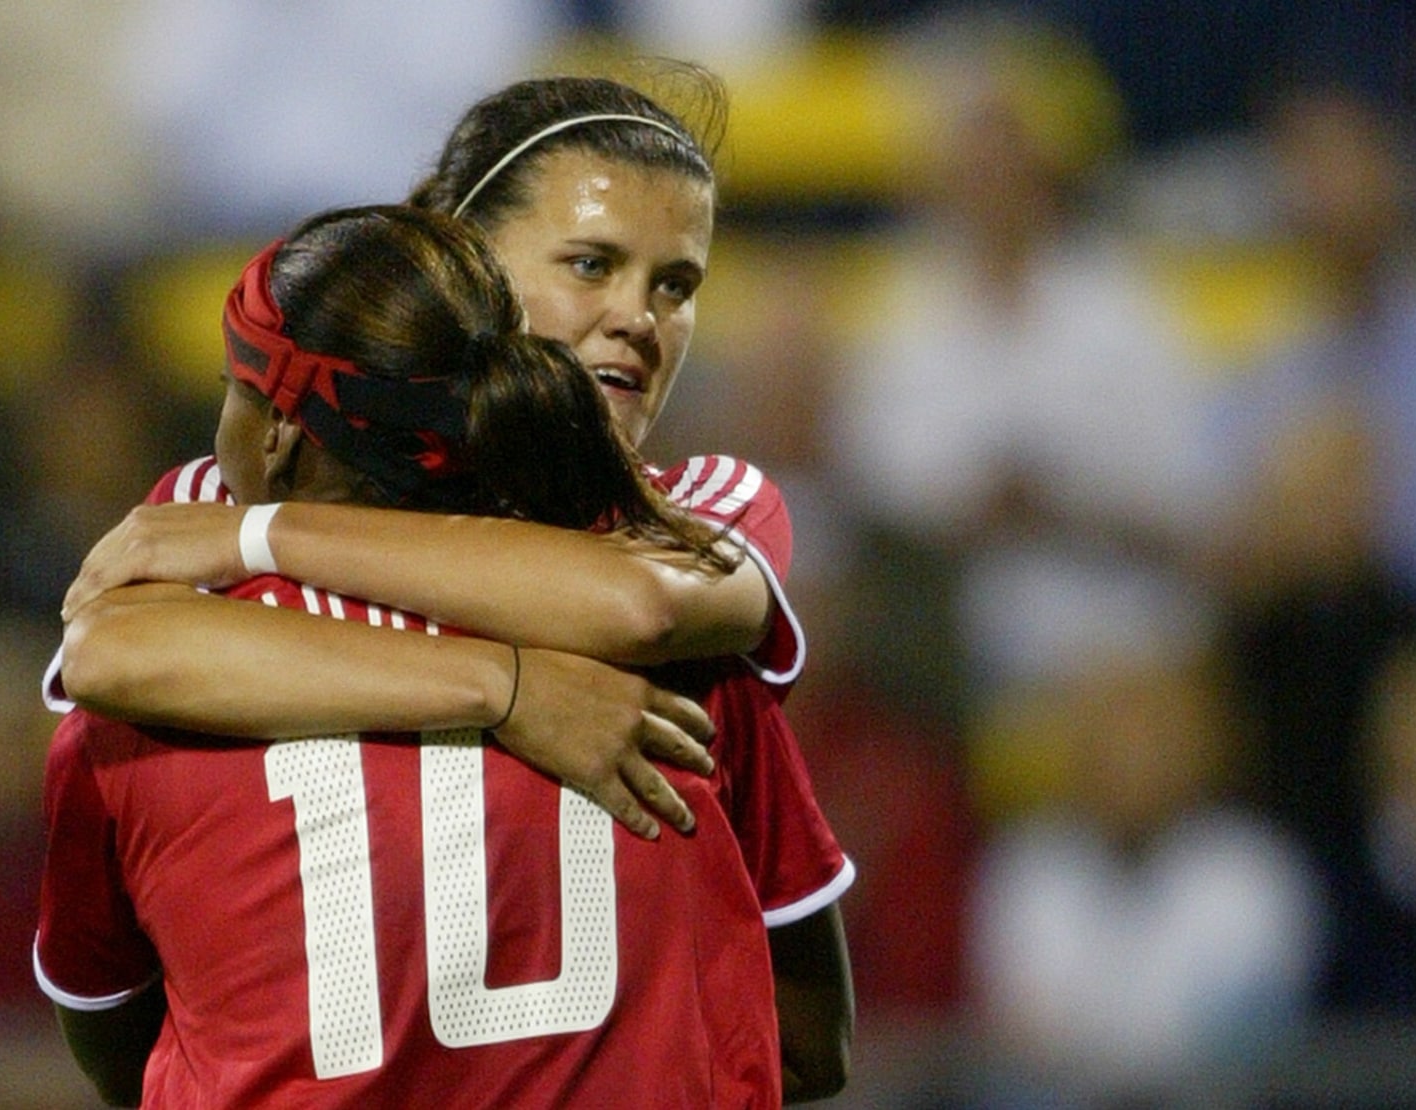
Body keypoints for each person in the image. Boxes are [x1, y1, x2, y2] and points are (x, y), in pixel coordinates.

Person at [48, 73, 855, 1095]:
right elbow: (804, 1042)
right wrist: (506, 690)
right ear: (459, 256)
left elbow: (637, 601)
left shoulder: (237, 521)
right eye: (591, 264)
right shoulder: (687, 593)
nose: (638, 319)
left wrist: (266, 537)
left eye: (674, 285)